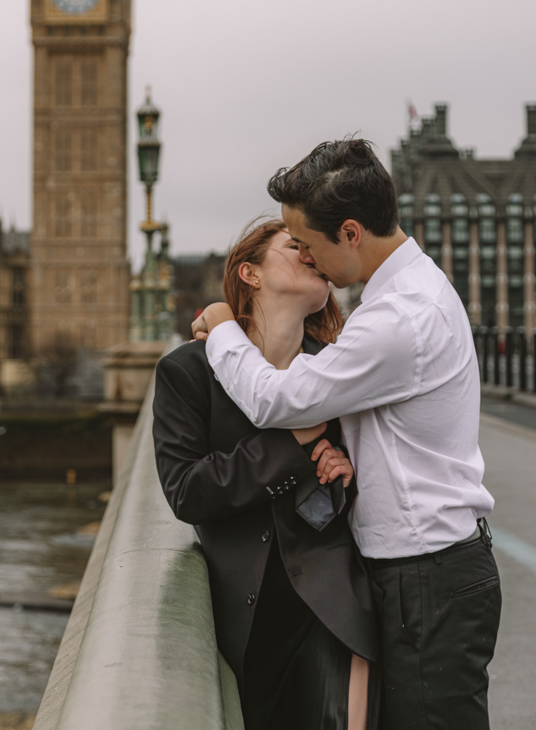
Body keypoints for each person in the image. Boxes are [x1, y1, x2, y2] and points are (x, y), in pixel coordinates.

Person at [192, 139, 502, 730]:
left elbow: (276, 399)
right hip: (425, 572)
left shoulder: (399, 319)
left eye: (308, 244)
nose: (309, 259)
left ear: (352, 233)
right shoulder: (405, 295)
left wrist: (224, 326)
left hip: (426, 576)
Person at [153, 219, 381, 730]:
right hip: (246, 621)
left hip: (333, 609)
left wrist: (347, 472)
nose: (310, 254)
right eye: (294, 246)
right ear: (250, 273)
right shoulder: (187, 373)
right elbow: (187, 492)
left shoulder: (339, 369)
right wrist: (292, 445)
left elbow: (380, 477)